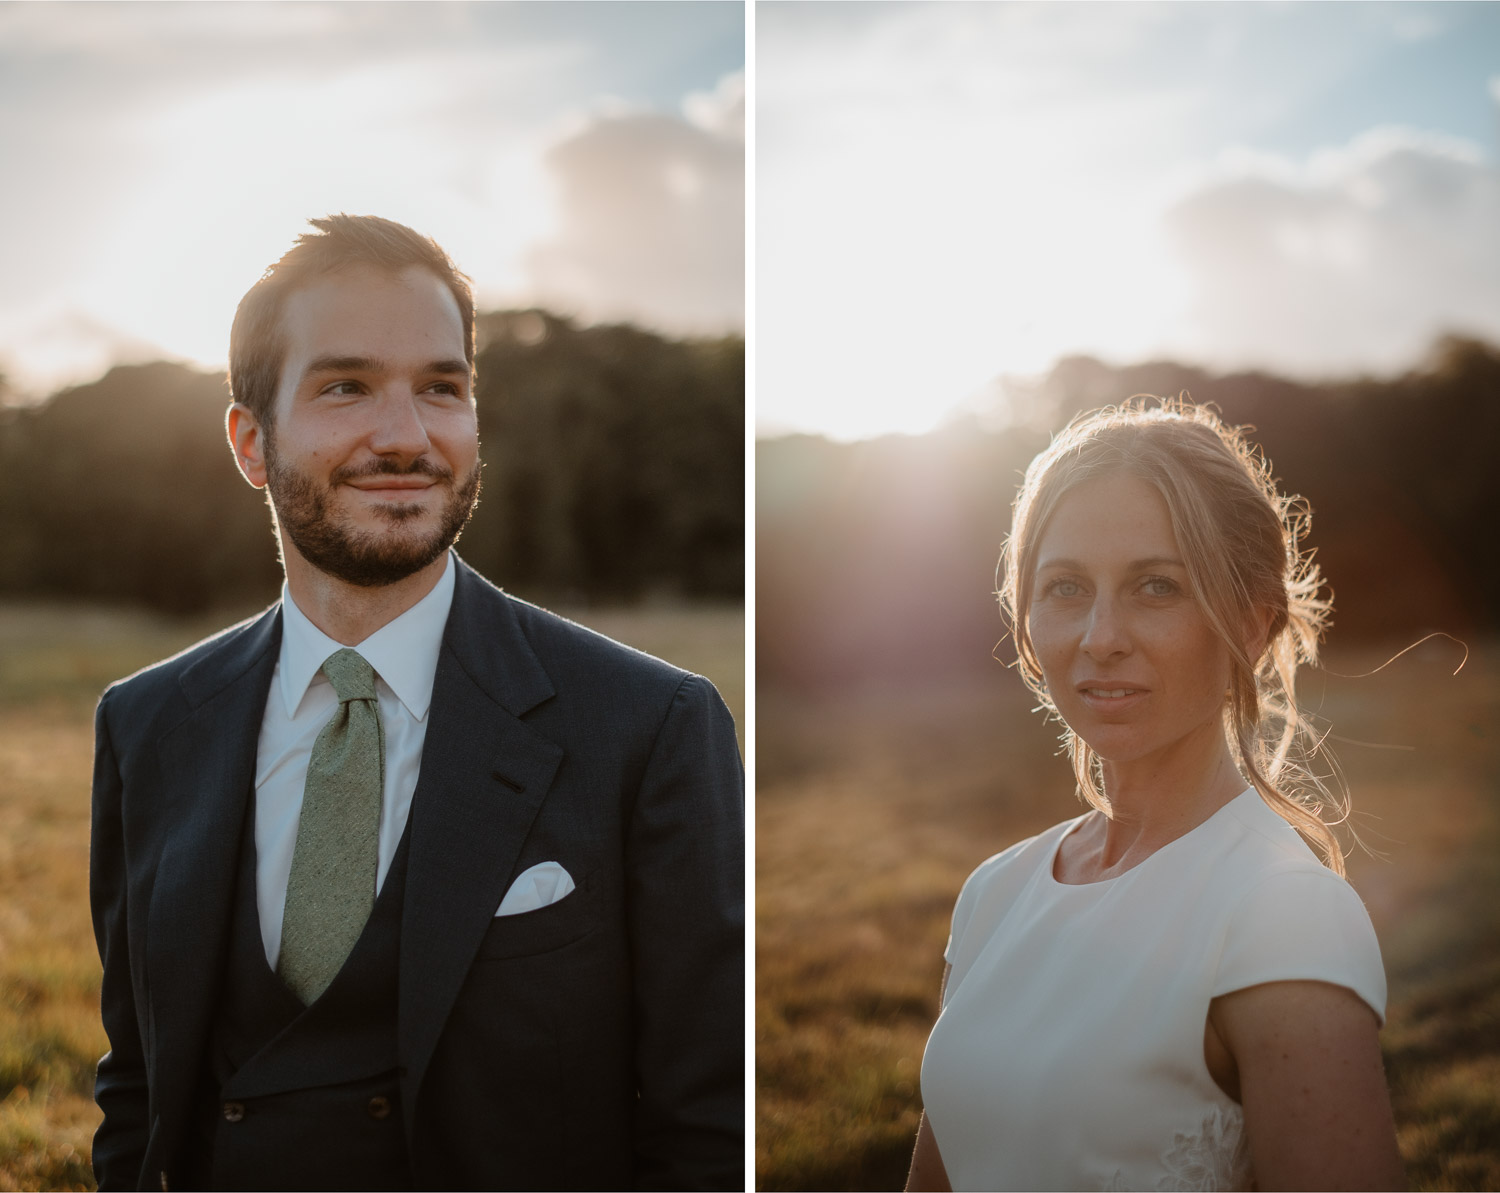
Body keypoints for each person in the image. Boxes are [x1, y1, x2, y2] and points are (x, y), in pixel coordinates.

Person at [88, 214, 744, 1192]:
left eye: (442, 386)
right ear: (250, 440)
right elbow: (137, 1088)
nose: (405, 435)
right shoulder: (145, 726)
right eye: (345, 385)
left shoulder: (650, 726)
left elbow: (706, 1128)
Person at [906, 400, 1404, 1192]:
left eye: (1156, 586)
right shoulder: (995, 893)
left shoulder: (1283, 911)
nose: (1101, 635)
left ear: (1250, 622)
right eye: (1066, 586)